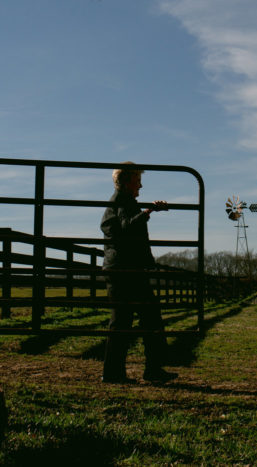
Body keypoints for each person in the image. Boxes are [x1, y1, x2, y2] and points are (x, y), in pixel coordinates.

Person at [100, 163, 178, 384]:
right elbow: (127, 227)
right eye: (137, 181)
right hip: (125, 271)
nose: (140, 185)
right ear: (126, 182)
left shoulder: (121, 201)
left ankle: (120, 372)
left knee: (129, 320)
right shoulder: (122, 203)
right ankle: (144, 370)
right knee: (139, 319)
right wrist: (149, 211)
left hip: (125, 269)